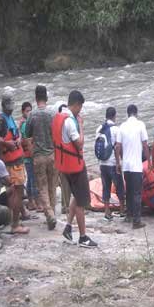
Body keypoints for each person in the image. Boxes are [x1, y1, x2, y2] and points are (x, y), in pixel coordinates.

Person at [52, 90, 97, 248]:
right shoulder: (70, 121)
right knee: (81, 202)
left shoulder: (59, 116)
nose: (80, 111)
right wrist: (82, 127)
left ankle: (68, 227)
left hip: (65, 166)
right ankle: (83, 237)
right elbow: (80, 143)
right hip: (75, 167)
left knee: (76, 197)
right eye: (80, 107)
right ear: (76, 105)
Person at [0, 95, 29, 234]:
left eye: (11, 105)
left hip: (14, 161)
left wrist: (18, 140)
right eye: (8, 105)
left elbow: (15, 135)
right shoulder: (1, 120)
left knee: (12, 192)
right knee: (17, 193)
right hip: (12, 163)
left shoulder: (9, 118)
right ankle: (15, 225)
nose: (10, 108)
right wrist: (6, 143)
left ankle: (14, 220)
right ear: (4, 106)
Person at [25, 86, 58, 230]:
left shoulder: (32, 115)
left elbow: (27, 134)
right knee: (52, 185)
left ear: (36, 98)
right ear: (46, 97)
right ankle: (53, 214)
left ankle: (49, 214)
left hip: (39, 156)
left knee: (42, 187)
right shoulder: (53, 113)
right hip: (52, 155)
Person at [115, 104, 149, 229]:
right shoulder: (140, 125)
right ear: (136, 113)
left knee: (128, 191)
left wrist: (118, 162)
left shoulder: (122, 126)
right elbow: (145, 145)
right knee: (137, 193)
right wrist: (149, 161)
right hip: (136, 166)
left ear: (128, 114)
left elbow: (117, 146)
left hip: (126, 166)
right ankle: (136, 220)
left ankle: (129, 216)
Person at [96, 107, 125, 221]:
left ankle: (107, 211)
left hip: (102, 163)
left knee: (105, 187)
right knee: (119, 186)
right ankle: (122, 210)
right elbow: (118, 147)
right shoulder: (116, 129)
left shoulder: (99, 128)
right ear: (114, 116)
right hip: (112, 163)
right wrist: (119, 162)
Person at [19, 101, 41, 212]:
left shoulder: (26, 122)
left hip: (27, 155)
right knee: (33, 179)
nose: (29, 113)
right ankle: (35, 203)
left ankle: (31, 201)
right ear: (23, 112)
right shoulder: (24, 124)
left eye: (30, 111)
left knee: (30, 179)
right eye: (27, 111)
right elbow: (28, 140)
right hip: (28, 156)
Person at [57, 104, 71, 215]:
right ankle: (66, 207)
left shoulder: (57, 125)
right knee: (65, 184)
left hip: (61, 158)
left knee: (65, 184)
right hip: (63, 159)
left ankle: (65, 206)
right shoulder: (66, 125)